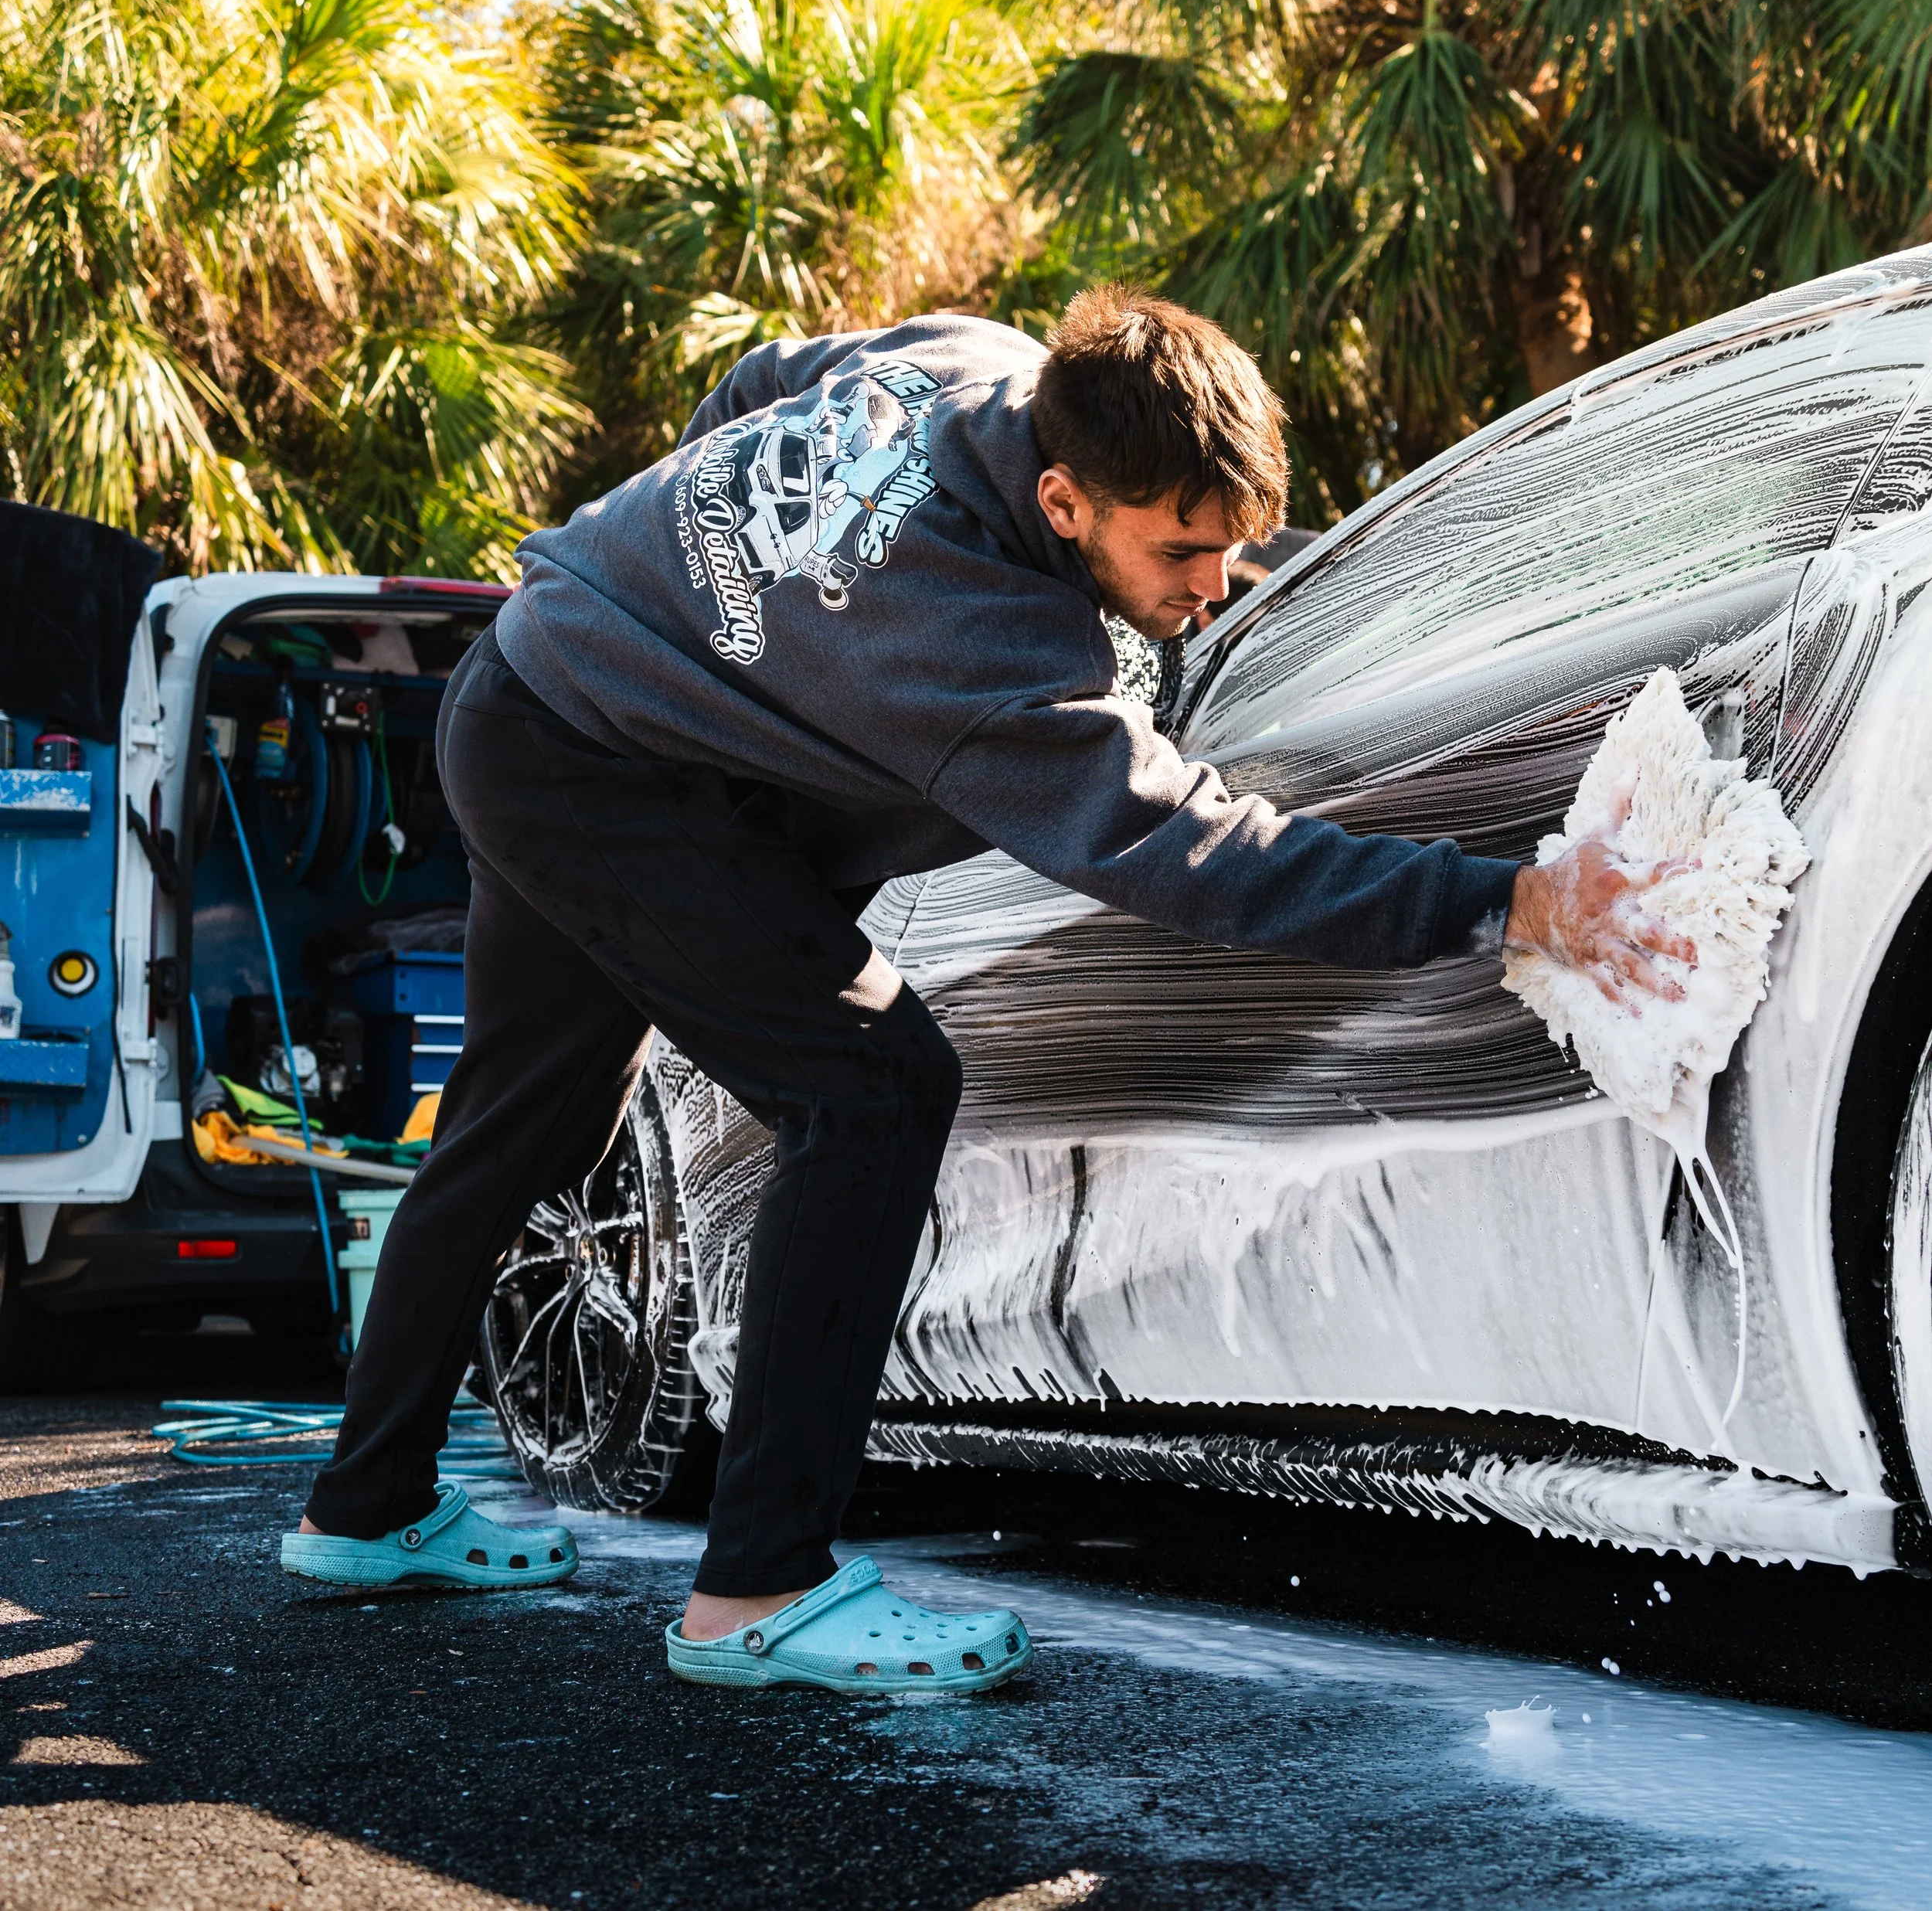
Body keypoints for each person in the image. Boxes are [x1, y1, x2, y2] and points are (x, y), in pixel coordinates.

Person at [282, 287, 1691, 1694]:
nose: (1210, 586)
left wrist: (705, 615)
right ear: (1065, 501)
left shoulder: (974, 362)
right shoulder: (974, 642)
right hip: (607, 777)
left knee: (516, 1130)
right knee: (875, 1089)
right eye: (1182, 553)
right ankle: (761, 1587)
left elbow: (752, 387)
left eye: (1231, 547)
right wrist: (1504, 898)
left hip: (534, 684)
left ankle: (367, 1510)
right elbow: (1188, 851)